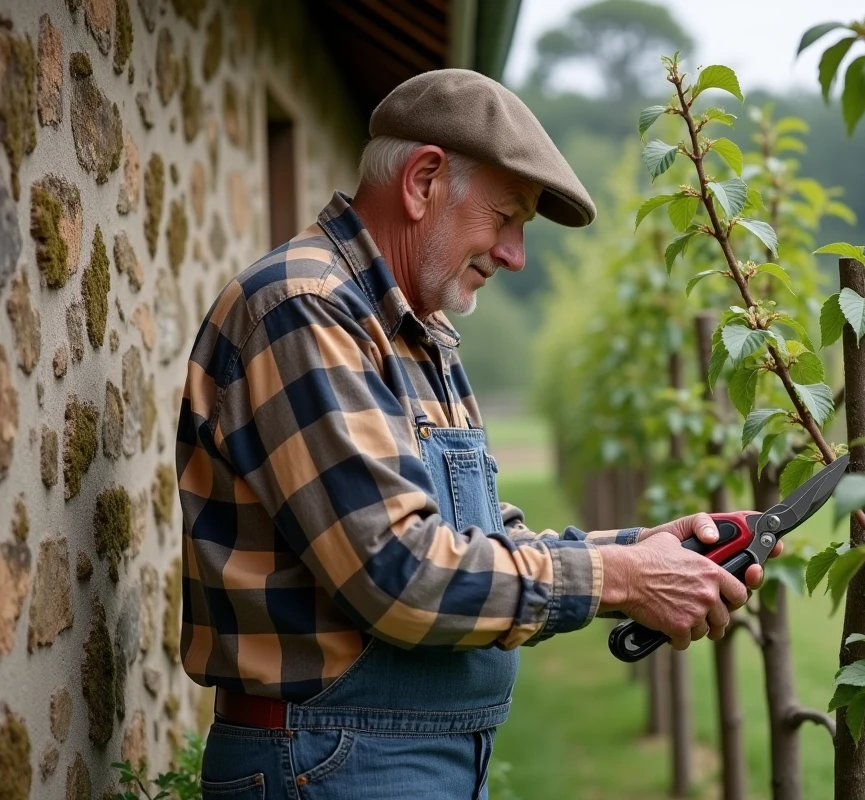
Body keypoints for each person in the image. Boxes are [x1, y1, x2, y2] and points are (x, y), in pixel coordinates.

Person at [177, 69, 780, 799]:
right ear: (424, 180)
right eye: (507, 217)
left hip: (394, 755)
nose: (515, 254)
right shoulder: (305, 311)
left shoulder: (419, 330)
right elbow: (398, 573)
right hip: (332, 760)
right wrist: (621, 579)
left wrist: (646, 552)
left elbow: (485, 540)